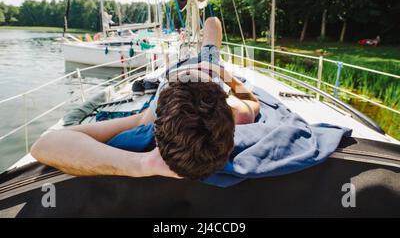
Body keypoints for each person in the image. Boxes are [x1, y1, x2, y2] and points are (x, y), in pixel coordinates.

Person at [31, 17, 260, 180]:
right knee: (211, 23)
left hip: (182, 78)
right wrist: (222, 75)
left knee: (209, 27)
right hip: (210, 70)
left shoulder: (147, 120)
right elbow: (253, 102)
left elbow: (44, 144)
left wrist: (144, 165)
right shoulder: (237, 113)